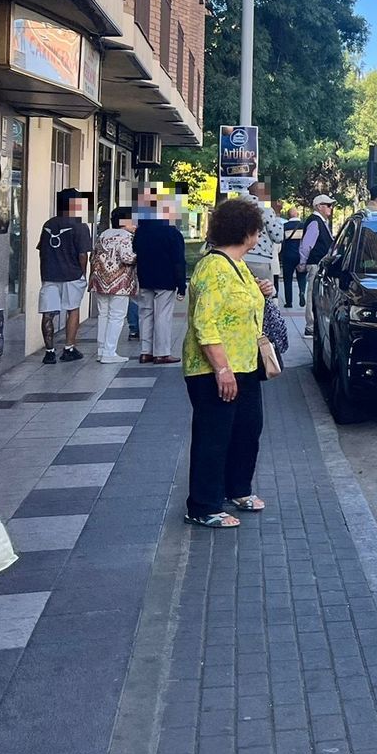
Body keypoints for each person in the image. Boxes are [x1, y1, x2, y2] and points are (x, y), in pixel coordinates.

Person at [183, 198, 270, 529]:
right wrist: (222, 369)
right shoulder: (214, 268)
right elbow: (205, 324)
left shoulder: (238, 265)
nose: (259, 236)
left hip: (245, 364)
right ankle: (203, 505)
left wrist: (263, 291)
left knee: (247, 429)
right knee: (214, 436)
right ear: (245, 231)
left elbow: (242, 302)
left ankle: (238, 489)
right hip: (214, 369)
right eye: (256, 230)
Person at [37, 189, 93, 363]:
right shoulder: (80, 226)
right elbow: (83, 254)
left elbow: (42, 251)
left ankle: (49, 352)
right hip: (72, 274)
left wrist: (44, 272)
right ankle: (69, 348)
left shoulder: (48, 224)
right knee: (73, 309)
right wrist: (83, 273)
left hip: (50, 275)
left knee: (47, 313)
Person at [134, 186, 188, 365]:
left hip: (144, 277)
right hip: (166, 279)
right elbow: (178, 261)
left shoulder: (140, 231)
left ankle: (145, 352)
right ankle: (162, 353)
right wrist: (181, 285)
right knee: (162, 316)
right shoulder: (172, 233)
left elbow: (135, 252)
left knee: (145, 313)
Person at [90, 207, 139, 364]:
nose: (136, 224)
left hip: (100, 281)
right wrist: (141, 256)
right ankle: (109, 352)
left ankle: (101, 350)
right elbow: (127, 258)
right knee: (117, 316)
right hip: (120, 283)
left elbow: (94, 256)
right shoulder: (126, 236)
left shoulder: (104, 234)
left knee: (103, 315)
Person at [297, 194, 336, 336]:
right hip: (315, 263)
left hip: (320, 264)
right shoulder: (315, 222)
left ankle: (315, 324)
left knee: (318, 294)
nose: (331, 208)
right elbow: (306, 245)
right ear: (319, 206)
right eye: (328, 205)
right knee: (313, 294)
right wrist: (303, 262)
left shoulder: (321, 222)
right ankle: (311, 325)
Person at [242, 181, 284, 283]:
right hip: (260, 258)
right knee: (265, 290)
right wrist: (277, 216)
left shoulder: (237, 207)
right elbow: (278, 236)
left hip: (239, 256)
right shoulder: (264, 209)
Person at [279, 207, 306, 309]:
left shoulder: (284, 226)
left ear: (288, 216)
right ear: (297, 214)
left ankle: (289, 302)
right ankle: (302, 291)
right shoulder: (304, 226)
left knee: (288, 279)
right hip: (300, 255)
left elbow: (282, 242)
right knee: (302, 276)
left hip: (288, 256)